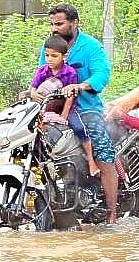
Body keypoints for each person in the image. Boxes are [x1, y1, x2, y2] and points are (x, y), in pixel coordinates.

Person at [35, 4, 119, 224]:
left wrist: (81, 86)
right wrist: (32, 92)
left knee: (102, 150)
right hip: (54, 107)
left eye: (59, 24)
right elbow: (40, 75)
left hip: (85, 107)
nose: (54, 28)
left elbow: (102, 74)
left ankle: (111, 212)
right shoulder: (49, 46)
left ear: (74, 23)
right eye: (52, 24)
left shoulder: (91, 47)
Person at [29, 34, 99, 177]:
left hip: (67, 108)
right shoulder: (42, 71)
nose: (49, 59)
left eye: (54, 56)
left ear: (64, 56)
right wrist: (33, 94)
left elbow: (70, 96)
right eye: (47, 55)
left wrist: (64, 116)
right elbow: (33, 88)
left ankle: (91, 161)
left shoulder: (70, 73)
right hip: (45, 109)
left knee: (79, 128)